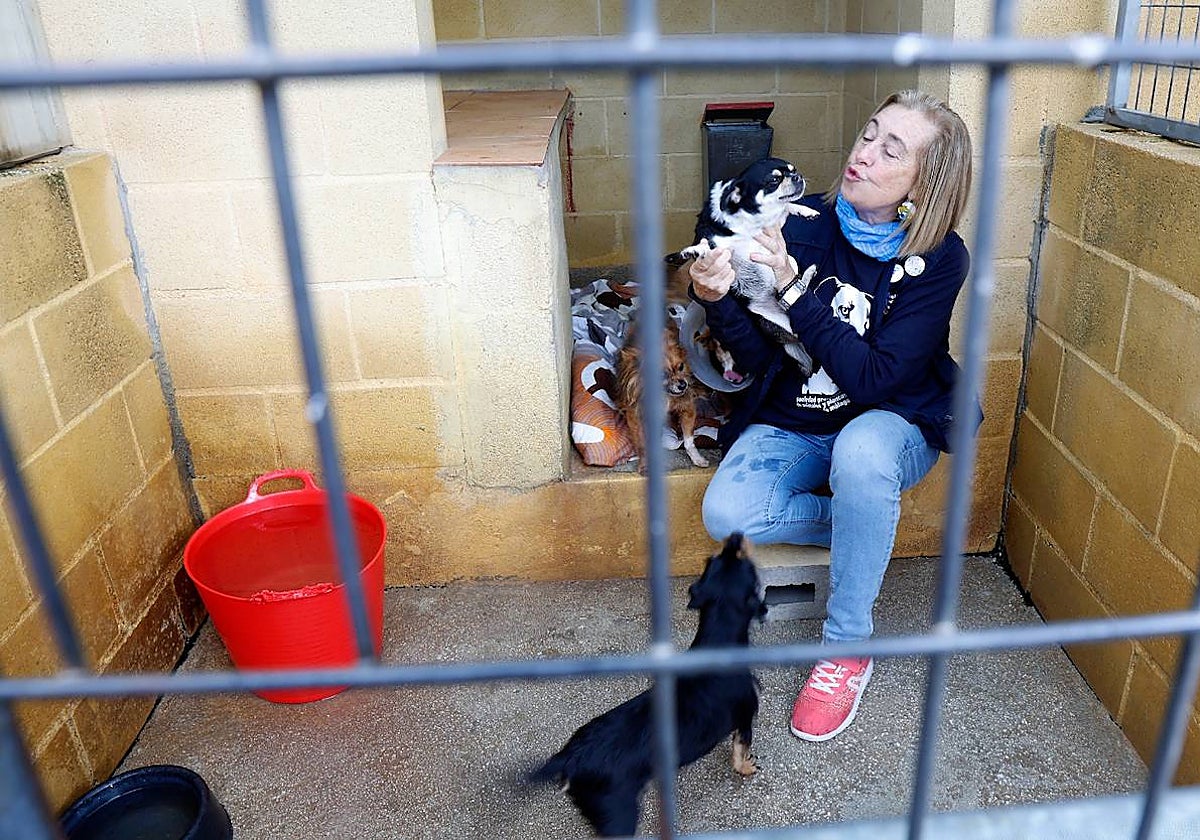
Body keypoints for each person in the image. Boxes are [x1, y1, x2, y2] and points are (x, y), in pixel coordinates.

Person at [689, 89, 979, 742]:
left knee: (865, 455)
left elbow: (878, 378)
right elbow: (754, 351)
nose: (864, 153)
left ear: (923, 181)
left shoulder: (937, 259)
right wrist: (717, 298)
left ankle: (846, 646)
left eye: (890, 149)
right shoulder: (801, 221)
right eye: (869, 133)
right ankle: (860, 527)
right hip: (795, 417)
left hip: (890, 420)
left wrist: (795, 288)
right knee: (727, 514)